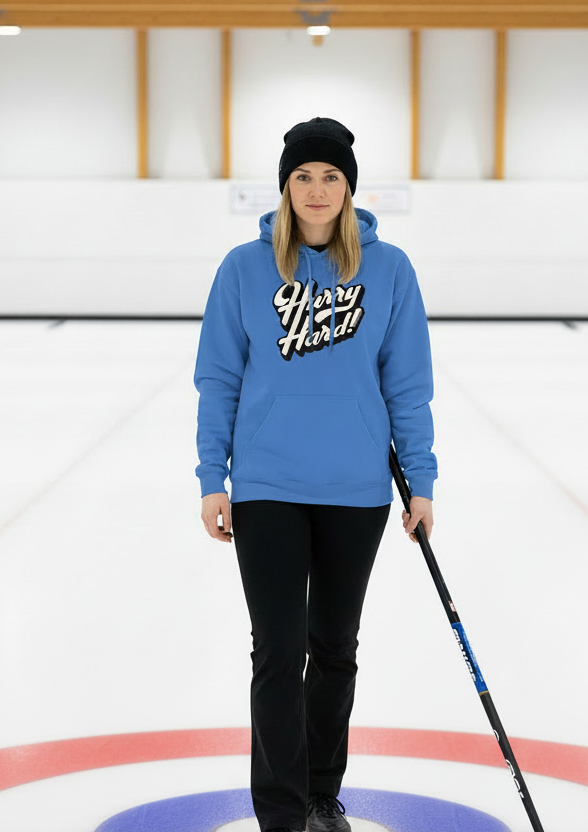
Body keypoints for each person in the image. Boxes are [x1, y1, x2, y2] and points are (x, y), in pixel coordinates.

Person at [194, 117, 437, 832]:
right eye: (303, 176)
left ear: (349, 188)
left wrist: (420, 481)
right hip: (267, 486)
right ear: (285, 186)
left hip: (355, 490)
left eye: (331, 176)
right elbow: (218, 379)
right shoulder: (244, 268)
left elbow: (408, 385)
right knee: (277, 651)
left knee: (334, 649)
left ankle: (320, 795)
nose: (317, 189)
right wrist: (213, 477)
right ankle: (280, 813)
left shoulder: (389, 270)